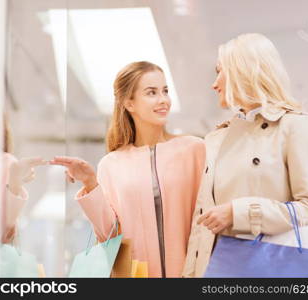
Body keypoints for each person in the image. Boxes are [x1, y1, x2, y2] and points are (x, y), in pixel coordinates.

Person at [182, 33, 308, 277]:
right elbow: (201, 227)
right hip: (219, 270)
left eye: (220, 71)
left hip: (270, 268)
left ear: (243, 70)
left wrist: (239, 213)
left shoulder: (294, 126)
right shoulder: (216, 138)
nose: (214, 83)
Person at [50, 61, 205, 277]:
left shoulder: (194, 149)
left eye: (165, 91)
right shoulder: (112, 164)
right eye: (151, 93)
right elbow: (110, 235)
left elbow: (208, 219)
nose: (163, 100)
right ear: (129, 103)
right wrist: (90, 183)